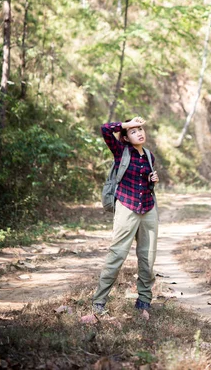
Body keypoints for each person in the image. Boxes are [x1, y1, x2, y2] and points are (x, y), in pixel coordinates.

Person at [91, 116, 159, 316]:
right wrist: (125, 125)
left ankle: (144, 300)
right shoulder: (121, 151)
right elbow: (104, 129)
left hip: (148, 208)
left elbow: (143, 182)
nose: (139, 132)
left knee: (148, 256)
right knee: (117, 254)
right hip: (126, 207)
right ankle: (99, 302)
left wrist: (151, 180)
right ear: (126, 137)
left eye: (140, 129)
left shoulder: (149, 156)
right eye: (133, 130)